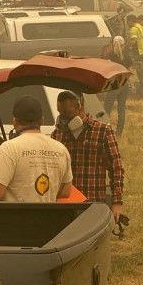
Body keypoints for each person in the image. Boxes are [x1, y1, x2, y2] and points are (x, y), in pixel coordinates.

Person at [0, 96, 73, 202]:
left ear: (14, 121)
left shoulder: (10, 148)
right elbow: (65, 192)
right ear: (42, 120)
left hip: (18, 217)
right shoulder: (61, 149)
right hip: (48, 217)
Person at [53, 90, 125, 222]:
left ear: (81, 107)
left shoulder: (102, 132)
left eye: (68, 114)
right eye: (60, 113)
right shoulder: (57, 134)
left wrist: (117, 203)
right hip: (65, 206)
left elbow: (116, 168)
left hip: (93, 204)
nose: (63, 119)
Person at [103, 36, 132, 135]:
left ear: (113, 45)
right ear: (123, 45)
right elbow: (129, 71)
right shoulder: (127, 58)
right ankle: (119, 132)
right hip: (124, 84)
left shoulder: (110, 57)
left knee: (107, 108)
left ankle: (105, 130)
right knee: (121, 108)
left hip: (113, 84)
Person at [127, 14, 143, 98]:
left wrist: (127, 47)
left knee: (141, 75)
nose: (127, 24)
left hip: (140, 54)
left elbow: (133, 41)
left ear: (131, 21)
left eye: (128, 21)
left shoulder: (134, 29)